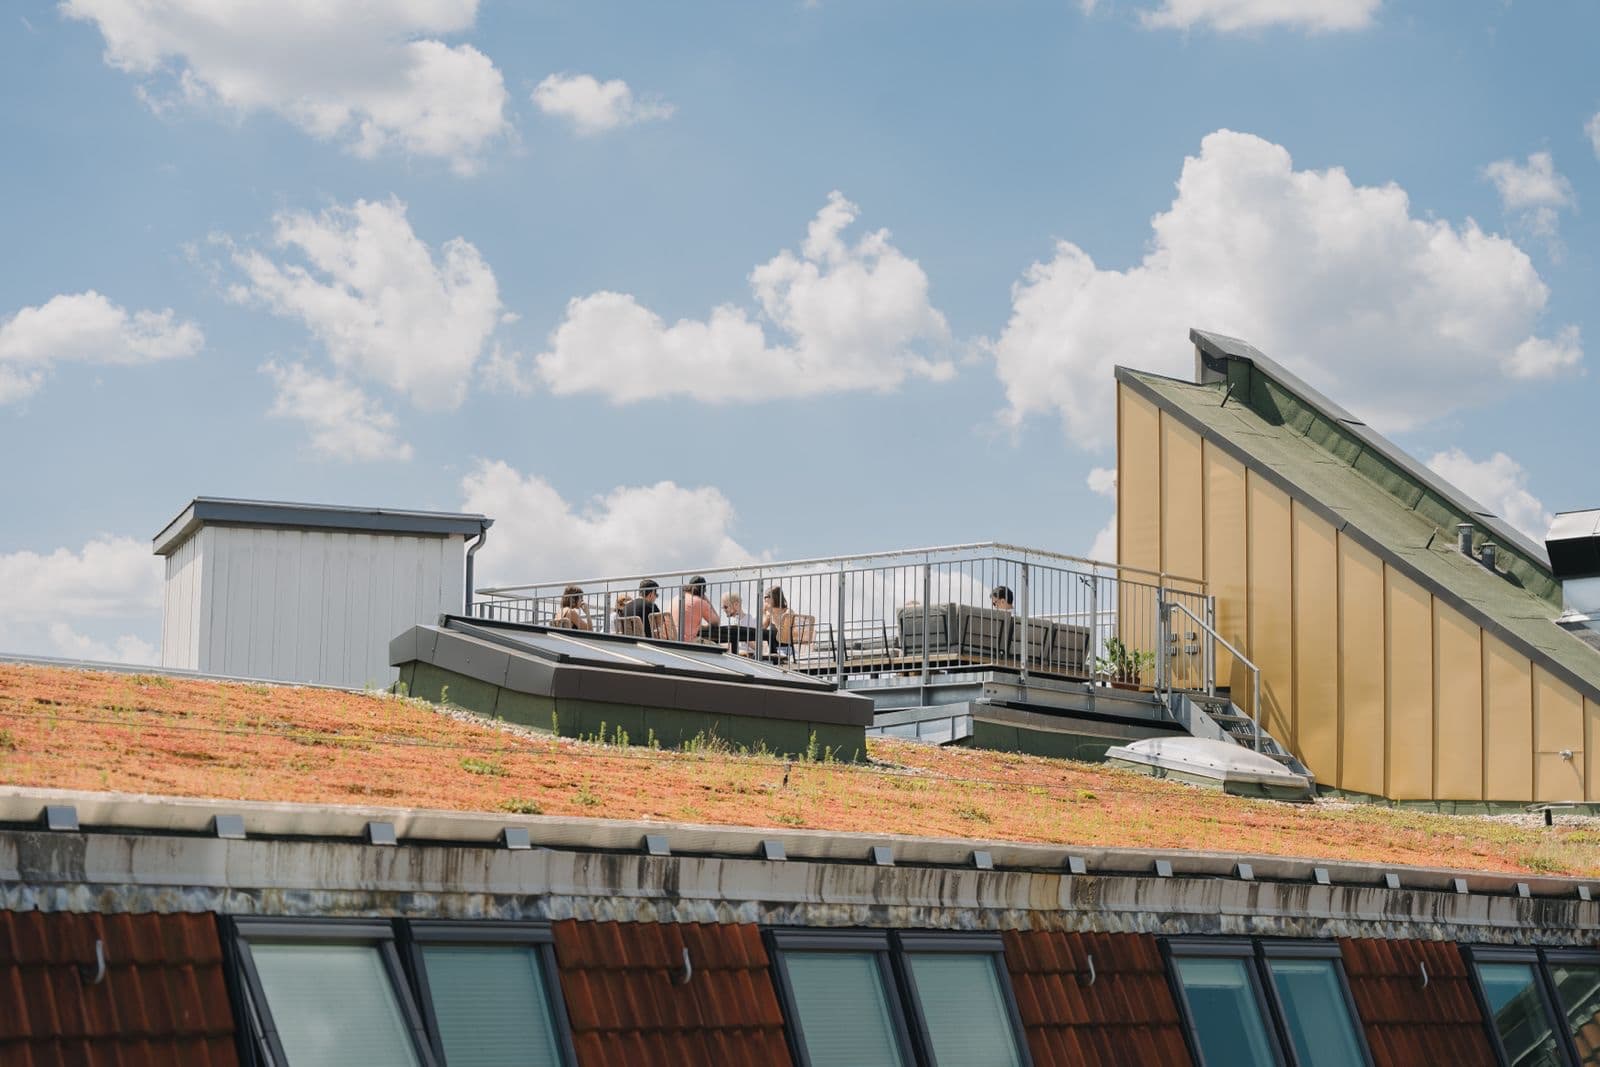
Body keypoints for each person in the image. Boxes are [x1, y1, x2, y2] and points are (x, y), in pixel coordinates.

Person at [675, 576, 722, 646]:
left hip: (671, 639)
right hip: (687, 641)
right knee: (720, 648)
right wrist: (706, 600)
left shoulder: (676, 598)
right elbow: (716, 622)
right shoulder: (699, 602)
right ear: (703, 590)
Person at [762, 585, 792, 660]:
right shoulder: (769, 612)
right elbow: (761, 629)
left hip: (785, 649)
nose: (765, 599)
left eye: (767, 597)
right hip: (773, 650)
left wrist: (773, 615)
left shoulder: (788, 612)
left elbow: (783, 633)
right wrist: (765, 614)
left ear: (775, 597)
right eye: (764, 597)